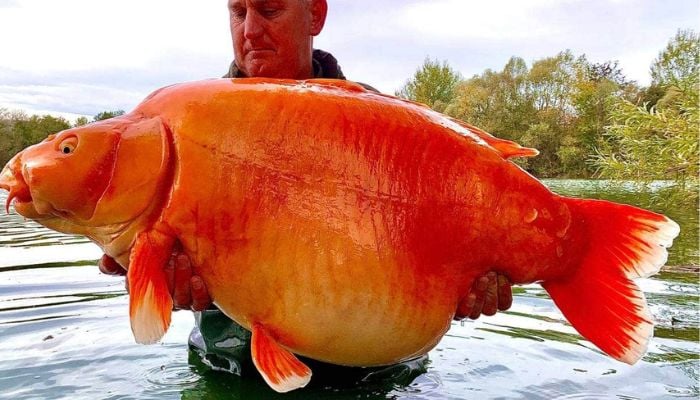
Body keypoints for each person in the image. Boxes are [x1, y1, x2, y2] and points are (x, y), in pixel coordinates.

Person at [99, 0, 513, 382]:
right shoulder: (181, 126)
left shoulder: (389, 125)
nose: (251, 30)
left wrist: (466, 287)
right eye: (239, 12)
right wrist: (157, 279)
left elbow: (438, 254)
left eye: (270, 10)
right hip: (228, 368)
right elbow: (145, 268)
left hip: (373, 379)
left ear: (315, 14)